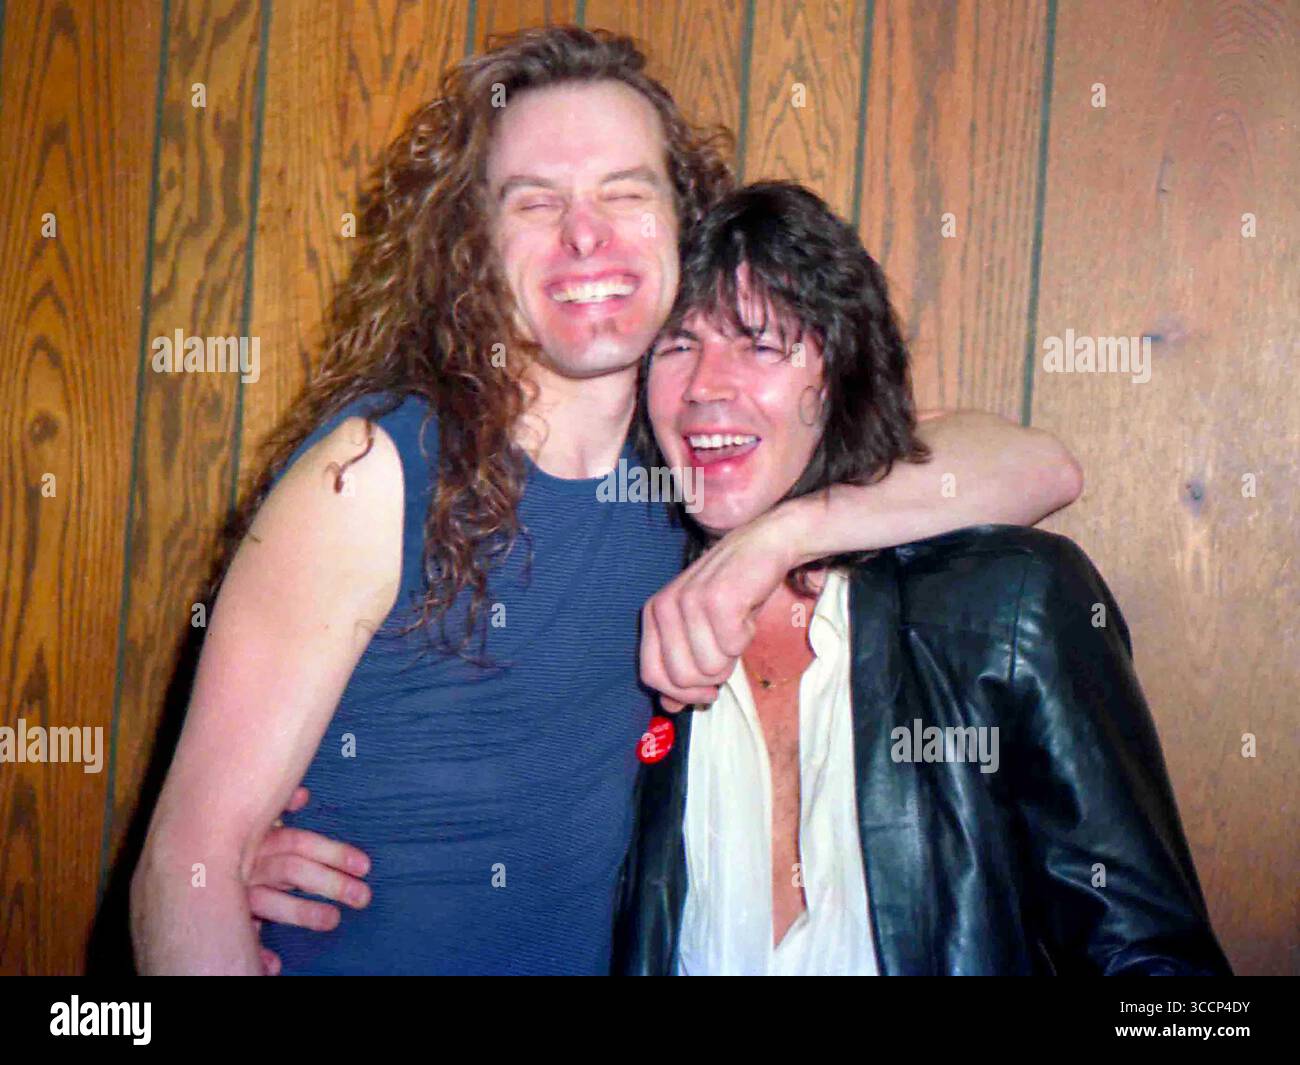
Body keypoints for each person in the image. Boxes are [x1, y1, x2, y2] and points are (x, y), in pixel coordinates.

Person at [130, 28, 1080, 976]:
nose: (585, 235)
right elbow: (189, 864)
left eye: (626, 194)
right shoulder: (371, 470)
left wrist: (775, 538)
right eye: (535, 202)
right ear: (473, 245)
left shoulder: (702, 465)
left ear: (683, 224)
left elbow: (1030, 462)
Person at [613, 181, 1230, 975]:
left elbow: (1156, 966)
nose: (706, 385)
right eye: (676, 345)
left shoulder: (1006, 608)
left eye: (761, 343)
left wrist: (779, 538)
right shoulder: (626, 625)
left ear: (839, 375)